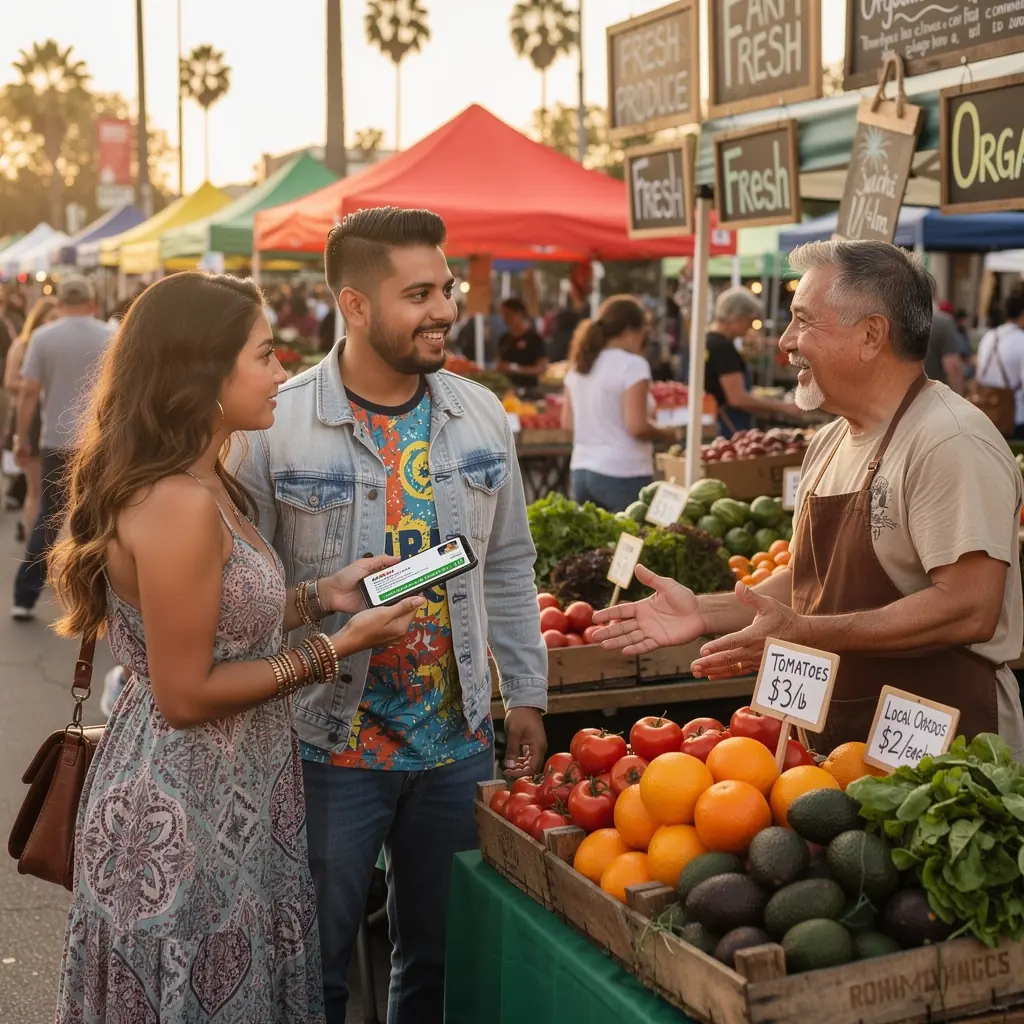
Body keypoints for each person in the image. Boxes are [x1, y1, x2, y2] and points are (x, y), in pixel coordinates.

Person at [50, 272, 423, 1022]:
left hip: (231, 798)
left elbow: (219, 620)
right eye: (264, 355)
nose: (282, 372)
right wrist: (336, 647)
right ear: (204, 373)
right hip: (185, 810)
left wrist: (324, 597)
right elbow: (185, 692)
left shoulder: (205, 480)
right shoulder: (180, 502)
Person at [234, 206, 548, 1023]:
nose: (445, 308)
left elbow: (510, 566)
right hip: (323, 745)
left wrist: (529, 695)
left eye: (446, 287)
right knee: (316, 971)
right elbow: (246, 597)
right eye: (419, 293)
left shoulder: (479, 414)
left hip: (457, 745)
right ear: (357, 304)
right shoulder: (277, 425)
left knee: (439, 966)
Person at [593, 240, 1024, 760]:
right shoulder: (829, 441)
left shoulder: (949, 440)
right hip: (839, 746)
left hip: (946, 757)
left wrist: (808, 631)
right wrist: (704, 611)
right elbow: (807, 579)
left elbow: (967, 608)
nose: (785, 341)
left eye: (803, 320)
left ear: (871, 335)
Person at [11, 276, 114, 620]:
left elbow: (28, 391)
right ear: (91, 301)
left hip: (55, 440)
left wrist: (21, 438)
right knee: (102, 520)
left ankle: (24, 597)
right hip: (98, 441)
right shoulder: (109, 335)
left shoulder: (43, 337)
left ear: (61, 303)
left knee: (48, 518)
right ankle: (101, 602)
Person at [561, 295, 678, 512]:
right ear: (628, 331)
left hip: (581, 470)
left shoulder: (579, 365)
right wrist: (667, 433)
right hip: (622, 471)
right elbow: (637, 427)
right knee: (630, 540)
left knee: (595, 544)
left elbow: (568, 423)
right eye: (643, 333)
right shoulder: (632, 365)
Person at [703, 286, 804, 436]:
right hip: (727, 428)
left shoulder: (708, 340)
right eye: (749, 320)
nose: (750, 326)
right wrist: (783, 407)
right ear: (736, 317)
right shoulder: (723, 348)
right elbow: (737, 398)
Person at [3, 296, 60, 541]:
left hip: (55, 416)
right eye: (52, 318)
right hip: (33, 417)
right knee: (36, 490)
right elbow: (10, 381)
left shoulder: (58, 345)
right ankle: (32, 543)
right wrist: (33, 384)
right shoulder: (24, 345)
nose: (56, 323)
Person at [975, 288, 1024, 439]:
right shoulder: (1021, 340)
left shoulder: (990, 336)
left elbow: (980, 372)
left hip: (985, 412)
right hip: (1015, 418)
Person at [496, 296, 548, 390]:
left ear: (519, 314)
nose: (505, 318)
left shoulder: (534, 338)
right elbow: (500, 362)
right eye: (503, 315)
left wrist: (517, 369)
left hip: (529, 390)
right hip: (506, 390)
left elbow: (542, 368)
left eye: (509, 314)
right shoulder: (504, 339)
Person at [924, 287, 964, 394]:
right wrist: (959, 398)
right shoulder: (943, 323)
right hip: (934, 396)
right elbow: (952, 367)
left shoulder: (894, 322)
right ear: (934, 294)